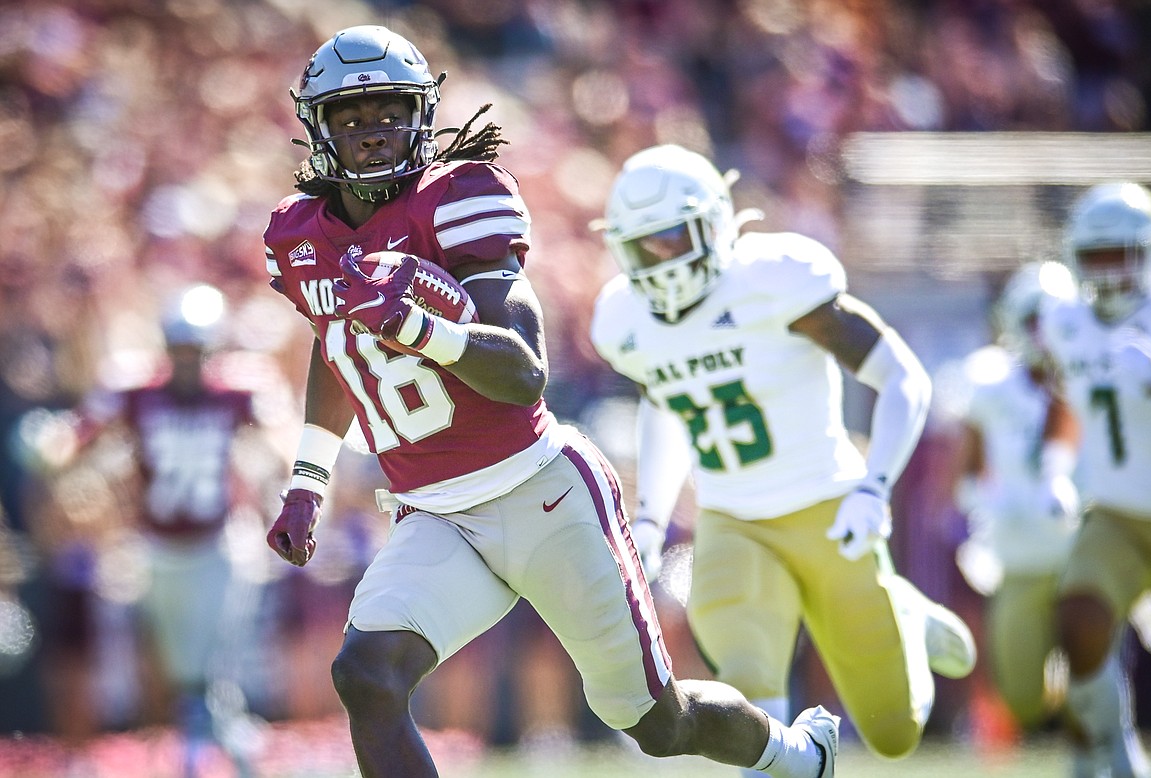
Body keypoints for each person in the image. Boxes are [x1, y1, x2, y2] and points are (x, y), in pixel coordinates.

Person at [262, 25, 839, 778]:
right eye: (352, 116)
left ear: (421, 114)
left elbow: (522, 371)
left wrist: (415, 326)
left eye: (390, 111)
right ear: (319, 126)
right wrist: (308, 479)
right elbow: (334, 343)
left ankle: (798, 755)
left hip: (542, 494)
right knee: (367, 677)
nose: (373, 132)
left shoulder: (459, 198)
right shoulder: (299, 234)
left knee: (654, 722)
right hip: (435, 514)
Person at [588, 144, 977, 771]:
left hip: (826, 507)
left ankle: (903, 613)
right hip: (731, 519)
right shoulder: (624, 318)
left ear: (715, 225)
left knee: (892, 730)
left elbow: (902, 377)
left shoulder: (776, 279)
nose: (660, 262)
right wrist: (652, 521)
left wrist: (874, 488)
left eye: (672, 239)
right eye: (642, 246)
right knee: (746, 679)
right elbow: (663, 402)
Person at [60, 284, 276, 777]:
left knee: (214, 661)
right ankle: (230, 750)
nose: (185, 361)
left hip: (221, 542)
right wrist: (62, 451)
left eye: (194, 350)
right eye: (178, 348)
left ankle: (208, 756)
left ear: (213, 349)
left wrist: (278, 480)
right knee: (184, 671)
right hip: (158, 548)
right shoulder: (134, 391)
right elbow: (76, 437)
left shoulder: (240, 391)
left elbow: (281, 442)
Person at [1039, 181, 1151, 778]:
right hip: (1117, 511)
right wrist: (1054, 468)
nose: (1107, 271)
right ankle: (1116, 754)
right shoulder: (1066, 319)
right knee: (1079, 619)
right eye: (1094, 256)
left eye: (1119, 254)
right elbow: (1069, 399)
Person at [945, 261, 1082, 732]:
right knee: (1022, 696)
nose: (1046, 335)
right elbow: (966, 470)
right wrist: (984, 501)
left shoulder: (1090, 375)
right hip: (1020, 553)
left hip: (1082, 551)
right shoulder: (990, 380)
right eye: (1035, 322)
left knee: (1096, 672)